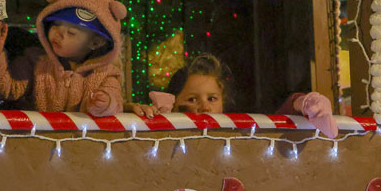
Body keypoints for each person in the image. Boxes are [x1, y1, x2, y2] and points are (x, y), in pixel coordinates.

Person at [127, 53, 338, 138]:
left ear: (223, 100)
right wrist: (130, 109)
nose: (204, 107)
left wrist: (301, 103)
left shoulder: (235, 134)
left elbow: (271, 125)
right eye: (192, 99)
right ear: (174, 102)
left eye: (212, 98)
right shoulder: (163, 136)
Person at [0, 0, 127, 116]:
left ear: (95, 42)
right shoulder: (35, 61)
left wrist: (106, 103)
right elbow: (7, 89)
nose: (58, 33)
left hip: (84, 137)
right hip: (39, 136)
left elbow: (116, 102)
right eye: (56, 24)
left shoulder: (106, 74)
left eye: (71, 32)